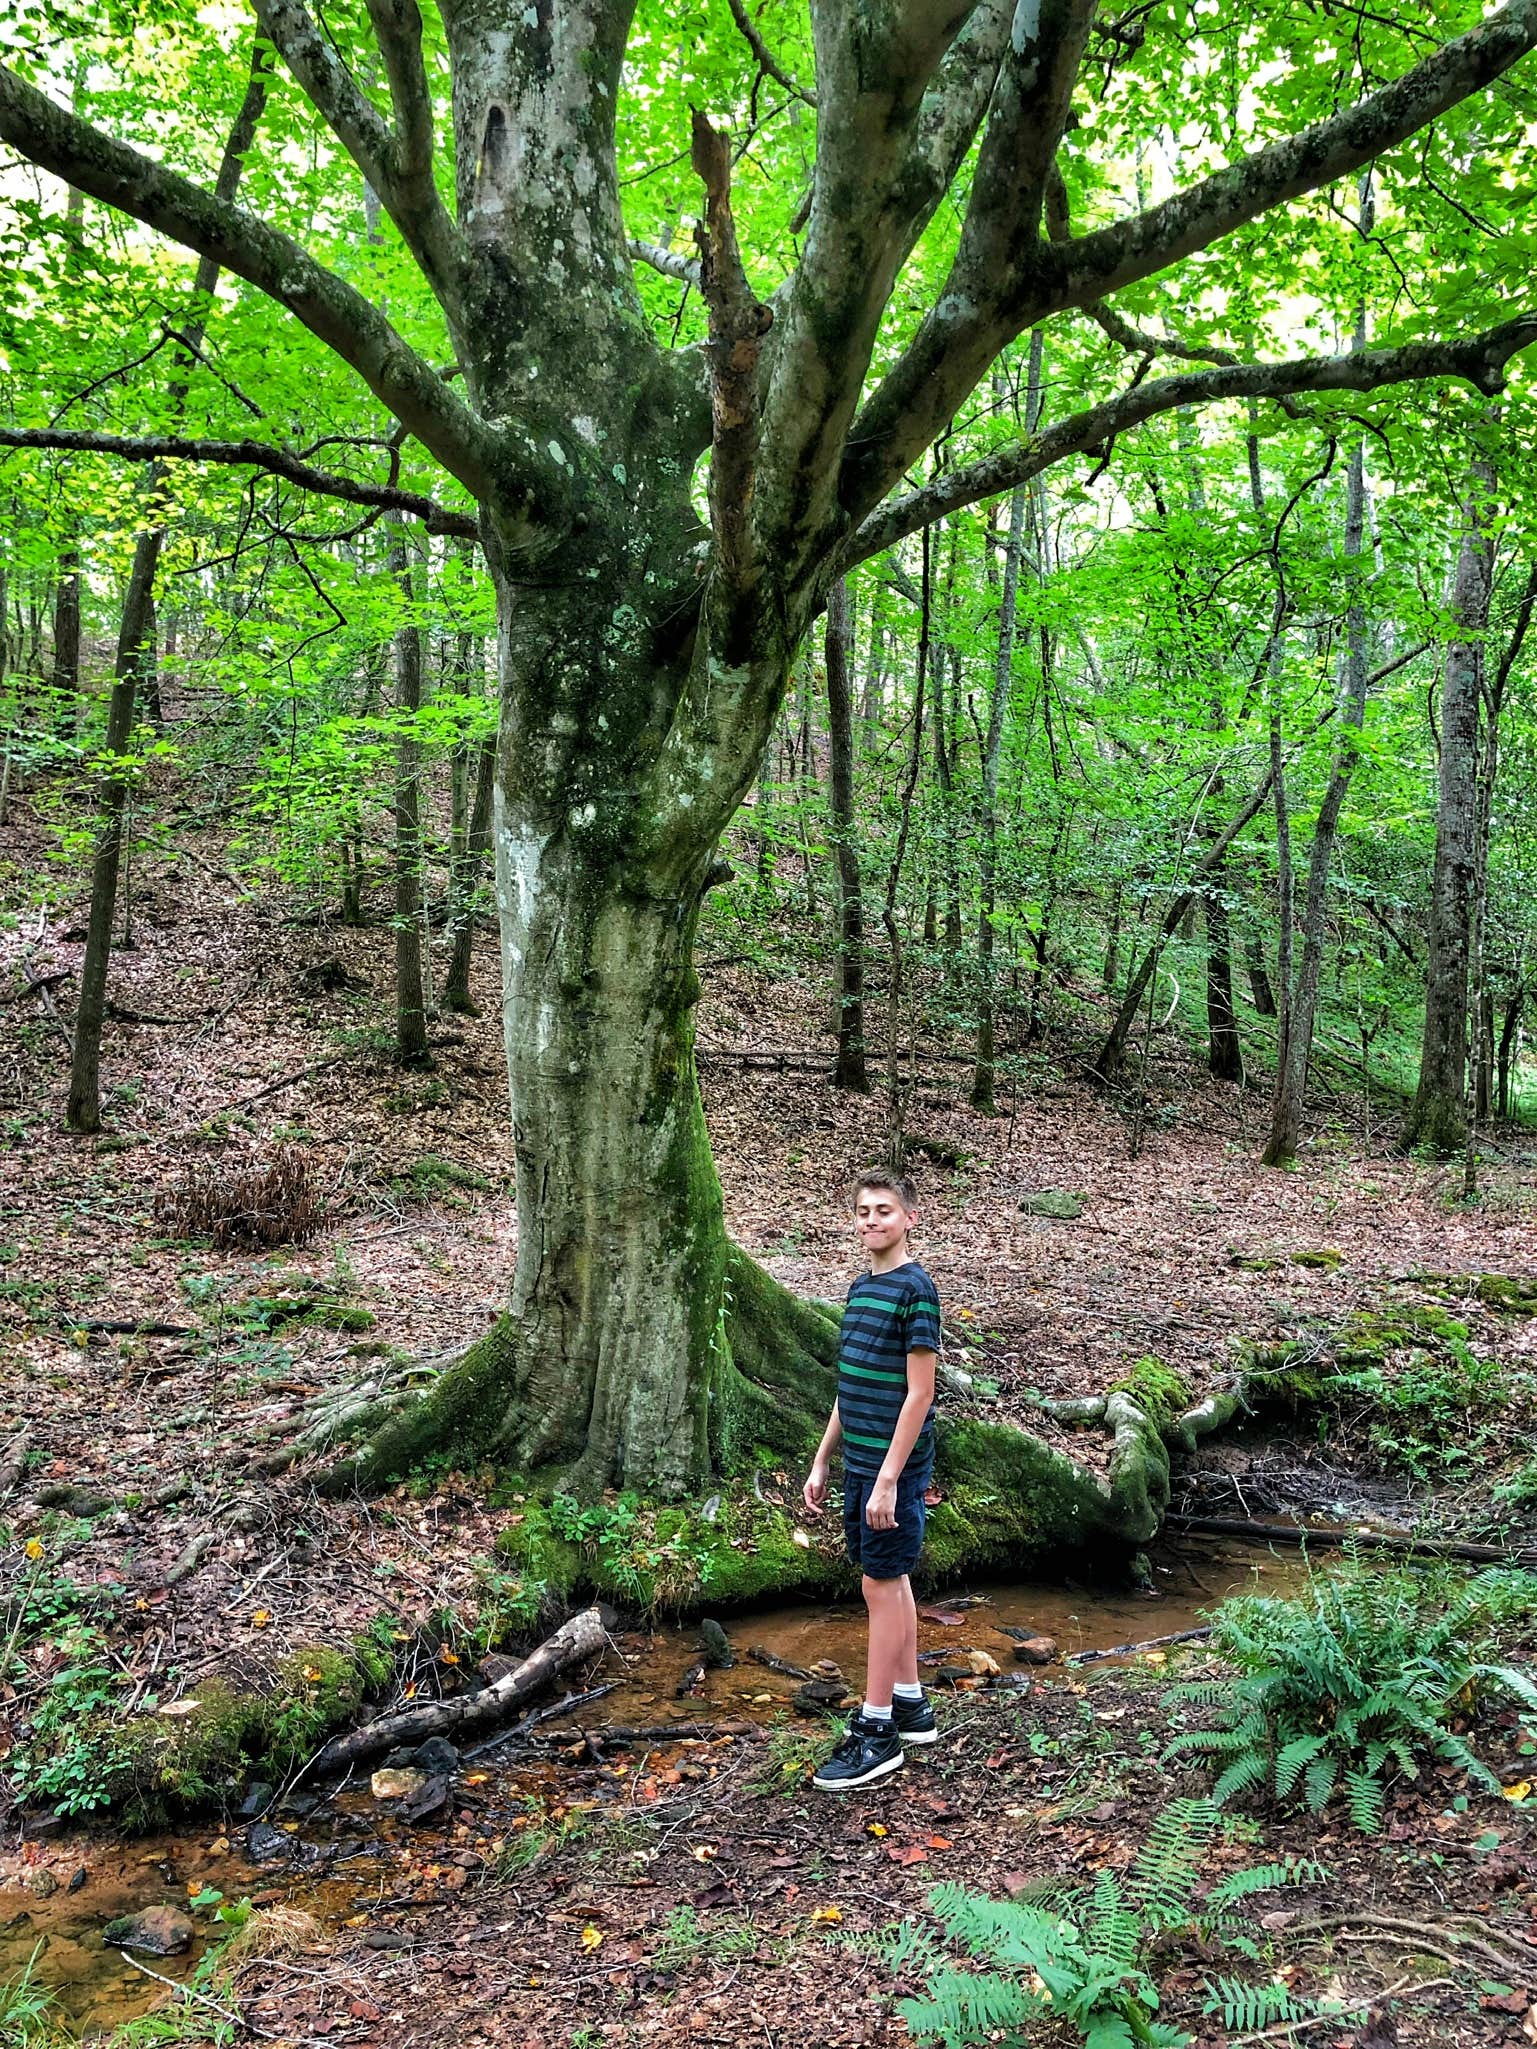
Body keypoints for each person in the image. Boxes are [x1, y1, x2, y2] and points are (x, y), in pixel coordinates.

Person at [802, 1168, 941, 1790]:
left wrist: (888, 1480)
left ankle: (876, 1730)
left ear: (909, 1217)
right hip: (859, 1461)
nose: (872, 1220)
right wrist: (823, 1458)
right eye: (862, 1211)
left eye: (884, 1210)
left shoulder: (917, 1290)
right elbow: (851, 1385)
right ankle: (910, 1705)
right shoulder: (862, 1289)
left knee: (878, 1585)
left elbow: (919, 1396)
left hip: (894, 1469)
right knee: (890, 1581)